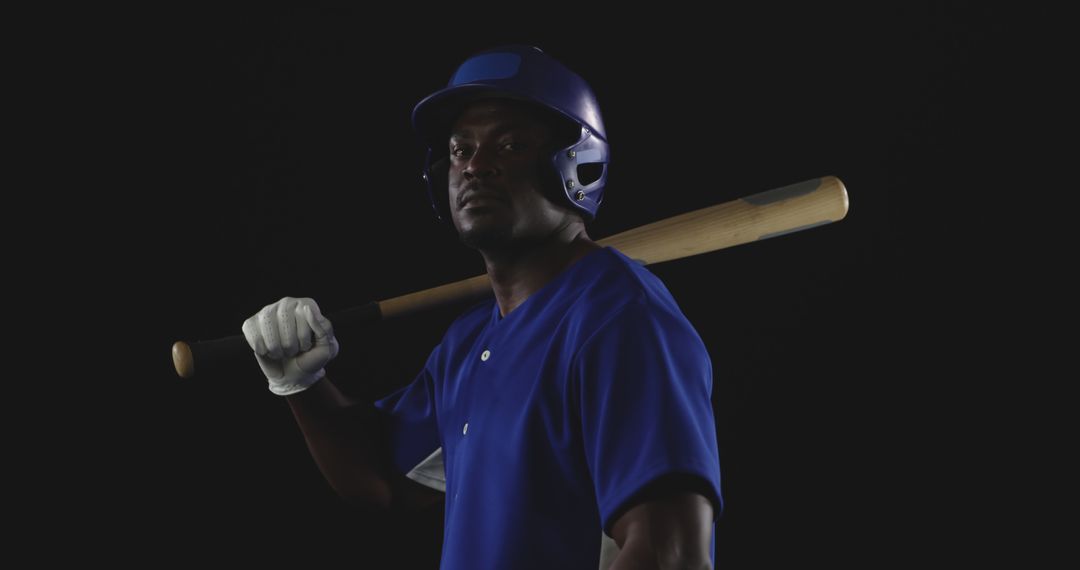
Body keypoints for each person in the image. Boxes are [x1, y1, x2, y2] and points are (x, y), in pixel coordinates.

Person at [242, 45, 723, 569]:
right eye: (458, 149)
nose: (474, 166)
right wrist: (302, 385)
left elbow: (671, 554)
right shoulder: (470, 343)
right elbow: (383, 481)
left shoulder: (620, 320)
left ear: (579, 166)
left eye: (510, 144)